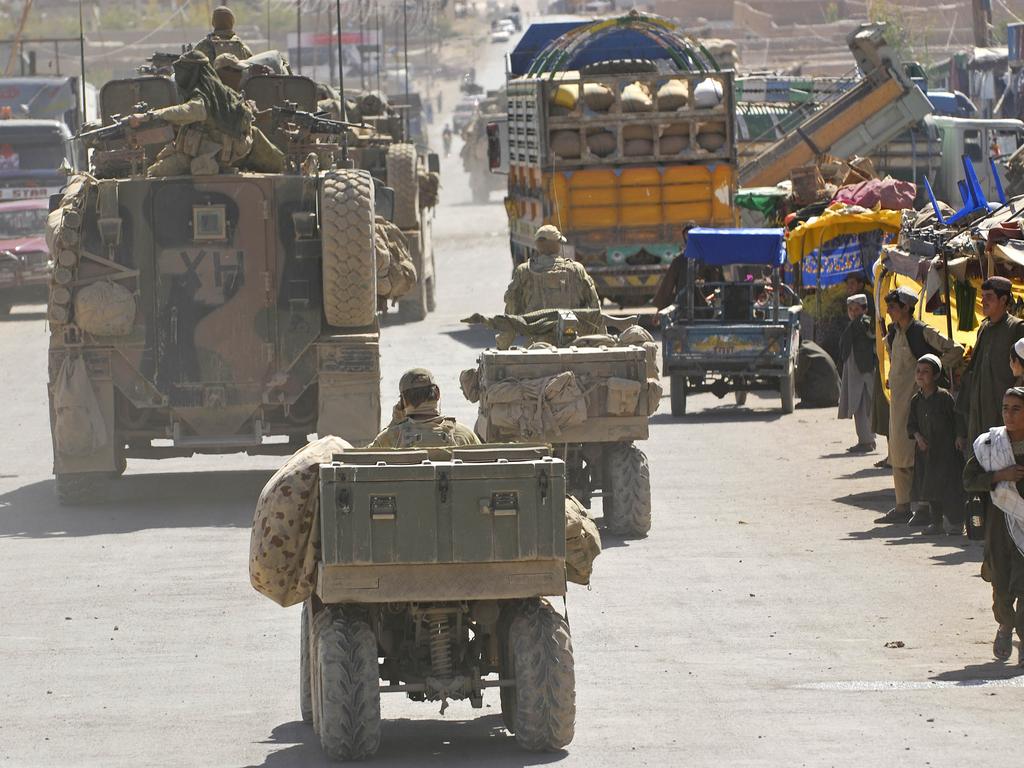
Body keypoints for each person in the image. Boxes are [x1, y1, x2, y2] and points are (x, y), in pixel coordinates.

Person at [876, 286, 963, 524]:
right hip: (897, 404)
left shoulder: (921, 332)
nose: (890, 310)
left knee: (921, 457)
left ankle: (924, 509)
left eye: (894, 306)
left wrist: (933, 373)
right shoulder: (893, 334)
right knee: (899, 454)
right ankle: (902, 506)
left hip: (921, 406)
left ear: (906, 307)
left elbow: (955, 350)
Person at [136, 51, 284, 177]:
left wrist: (150, 116)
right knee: (151, 173)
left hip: (202, 158)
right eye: (234, 71)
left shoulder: (210, 95)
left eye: (239, 72)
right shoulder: (214, 94)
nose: (239, 76)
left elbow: (195, 110)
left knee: (151, 175)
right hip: (197, 157)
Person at [963, 387, 1024, 665]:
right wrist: (1001, 475)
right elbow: (969, 479)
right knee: (1001, 585)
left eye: (1016, 409)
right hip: (999, 524)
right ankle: (1005, 625)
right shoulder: (991, 444)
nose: (1009, 415)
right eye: (1005, 408)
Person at [957, 276, 1024, 458]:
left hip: (1004, 416)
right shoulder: (984, 328)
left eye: (989, 297)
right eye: (983, 296)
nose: (983, 301)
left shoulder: (1016, 328)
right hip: (978, 413)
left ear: (1003, 300)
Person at [908, 354, 964, 534]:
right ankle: (936, 523)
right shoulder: (916, 400)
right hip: (926, 452)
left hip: (945, 451)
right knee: (930, 488)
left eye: (925, 372)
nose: (920, 375)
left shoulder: (944, 397)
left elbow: (957, 419)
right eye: (918, 371)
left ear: (935, 375)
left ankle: (955, 524)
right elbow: (911, 424)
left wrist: (959, 437)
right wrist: (918, 437)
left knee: (948, 488)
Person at [369, 368, 481, 449]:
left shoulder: (389, 438)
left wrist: (394, 424)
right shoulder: (465, 435)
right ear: (437, 394)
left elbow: (364, 460)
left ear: (403, 401)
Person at [503, 225, 600, 315]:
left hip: (534, 327)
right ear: (557, 245)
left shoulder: (524, 270)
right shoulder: (576, 269)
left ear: (537, 245)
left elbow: (511, 300)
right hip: (572, 327)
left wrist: (512, 328)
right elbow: (594, 302)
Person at [838, 293, 876, 453]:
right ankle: (866, 440)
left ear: (865, 309)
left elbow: (872, 336)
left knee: (863, 406)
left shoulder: (864, 323)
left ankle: (867, 441)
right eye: (851, 309)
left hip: (863, 371)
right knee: (860, 406)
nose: (853, 312)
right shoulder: (854, 324)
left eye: (857, 309)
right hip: (855, 370)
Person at [652, 221, 698, 311]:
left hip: (707, 308)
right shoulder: (679, 260)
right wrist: (660, 309)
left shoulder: (707, 259)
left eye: (692, 235)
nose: (690, 238)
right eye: (687, 235)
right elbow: (667, 285)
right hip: (685, 308)